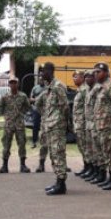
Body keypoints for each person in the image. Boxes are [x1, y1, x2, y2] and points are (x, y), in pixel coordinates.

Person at [39, 62, 69, 195]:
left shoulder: (58, 86)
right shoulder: (49, 87)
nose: (41, 73)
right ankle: (58, 182)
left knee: (58, 153)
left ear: (50, 71)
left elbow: (65, 106)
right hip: (50, 125)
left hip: (57, 126)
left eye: (43, 70)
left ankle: (61, 184)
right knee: (53, 154)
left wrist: (62, 123)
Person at [91, 62, 111, 190]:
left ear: (106, 73)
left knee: (110, 153)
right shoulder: (100, 87)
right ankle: (110, 177)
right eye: (95, 72)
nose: (96, 74)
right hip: (101, 126)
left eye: (98, 72)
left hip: (109, 126)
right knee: (105, 153)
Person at [0, 75, 31, 173]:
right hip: (9, 124)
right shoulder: (5, 97)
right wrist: (7, 116)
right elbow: (1, 108)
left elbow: (27, 107)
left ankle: (23, 165)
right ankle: (4, 166)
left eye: (15, 82)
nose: (13, 84)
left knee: (22, 144)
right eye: (11, 83)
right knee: (6, 145)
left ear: (18, 84)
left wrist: (21, 114)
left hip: (19, 124)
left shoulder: (23, 96)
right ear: (9, 84)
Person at [71, 71, 91, 177]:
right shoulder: (79, 90)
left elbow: (87, 108)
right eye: (73, 76)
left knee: (86, 147)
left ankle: (89, 168)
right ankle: (86, 166)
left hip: (83, 123)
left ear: (82, 78)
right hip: (78, 123)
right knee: (81, 146)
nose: (74, 78)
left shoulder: (84, 90)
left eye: (76, 76)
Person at [29, 75, 45, 148]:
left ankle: (44, 142)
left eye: (42, 79)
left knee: (45, 126)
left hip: (46, 109)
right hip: (36, 109)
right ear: (38, 80)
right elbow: (31, 99)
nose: (41, 80)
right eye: (40, 79)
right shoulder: (35, 88)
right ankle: (34, 141)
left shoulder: (47, 88)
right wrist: (36, 100)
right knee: (35, 125)